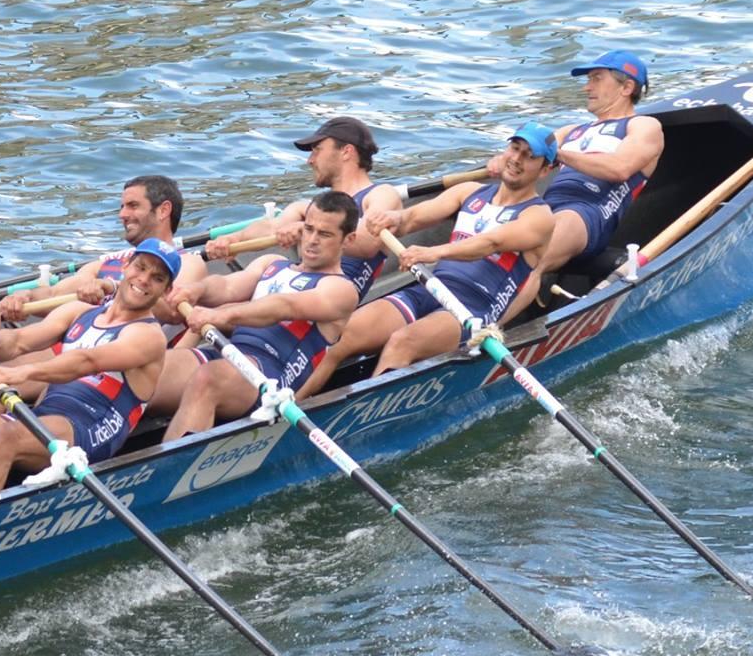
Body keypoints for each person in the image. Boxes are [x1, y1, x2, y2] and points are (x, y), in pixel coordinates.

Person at [311, 126, 556, 386]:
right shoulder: (469, 191)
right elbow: (413, 217)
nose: (517, 159)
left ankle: (364, 421)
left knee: (402, 343)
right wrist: (394, 217)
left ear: (544, 171)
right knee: (340, 336)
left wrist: (432, 252)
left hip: (472, 307)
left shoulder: (539, 216)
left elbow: (489, 243)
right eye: (514, 148)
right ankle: (274, 421)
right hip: (430, 287)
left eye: (529, 156)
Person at [0, 241, 180, 502]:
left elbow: (86, 361)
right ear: (126, 267)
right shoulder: (79, 312)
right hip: (45, 417)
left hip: (90, 429)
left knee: (8, 436)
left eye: (157, 278)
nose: (144, 280)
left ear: (166, 290)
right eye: (140, 268)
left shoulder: (149, 336)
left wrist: (24, 373)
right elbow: (19, 341)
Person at [163, 191, 364, 440]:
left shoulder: (340, 289)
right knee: (154, 368)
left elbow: (285, 306)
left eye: (324, 234)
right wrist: (196, 290)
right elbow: (227, 287)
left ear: (348, 239)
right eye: (309, 229)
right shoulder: (272, 263)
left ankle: (171, 469)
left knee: (208, 379)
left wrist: (221, 317)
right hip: (227, 353)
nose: (311, 240)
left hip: (268, 379)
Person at [204, 116, 404, 298]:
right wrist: (233, 239)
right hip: (295, 287)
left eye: (317, 150)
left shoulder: (381, 194)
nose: (310, 161)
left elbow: (368, 243)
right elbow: (271, 228)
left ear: (346, 151)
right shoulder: (306, 208)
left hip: (330, 301)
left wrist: (304, 230)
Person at [532, 50, 665, 296]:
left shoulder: (642, 126)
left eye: (596, 78)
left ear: (626, 87)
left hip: (589, 216)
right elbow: (530, 152)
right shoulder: (569, 130)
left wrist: (555, 153)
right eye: (588, 80)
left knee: (526, 262)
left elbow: (619, 168)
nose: (586, 88)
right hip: (547, 207)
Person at [0, 176, 207, 322]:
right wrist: (26, 297)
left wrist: (113, 288)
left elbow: (171, 310)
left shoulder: (189, 262)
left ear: (163, 210)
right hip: (79, 344)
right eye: (122, 207)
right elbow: (54, 295)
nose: (122, 215)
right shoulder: (102, 264)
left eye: (133, 206)